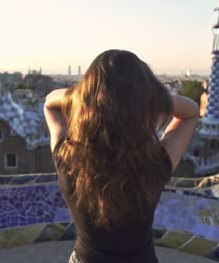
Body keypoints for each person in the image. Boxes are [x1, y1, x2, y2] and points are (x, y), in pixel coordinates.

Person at [44, 49, 198, 263]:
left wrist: (81, 96)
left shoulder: (68, 157)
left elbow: (50, 104)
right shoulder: (154, 164)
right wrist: (152, 98)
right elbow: (191, 112)